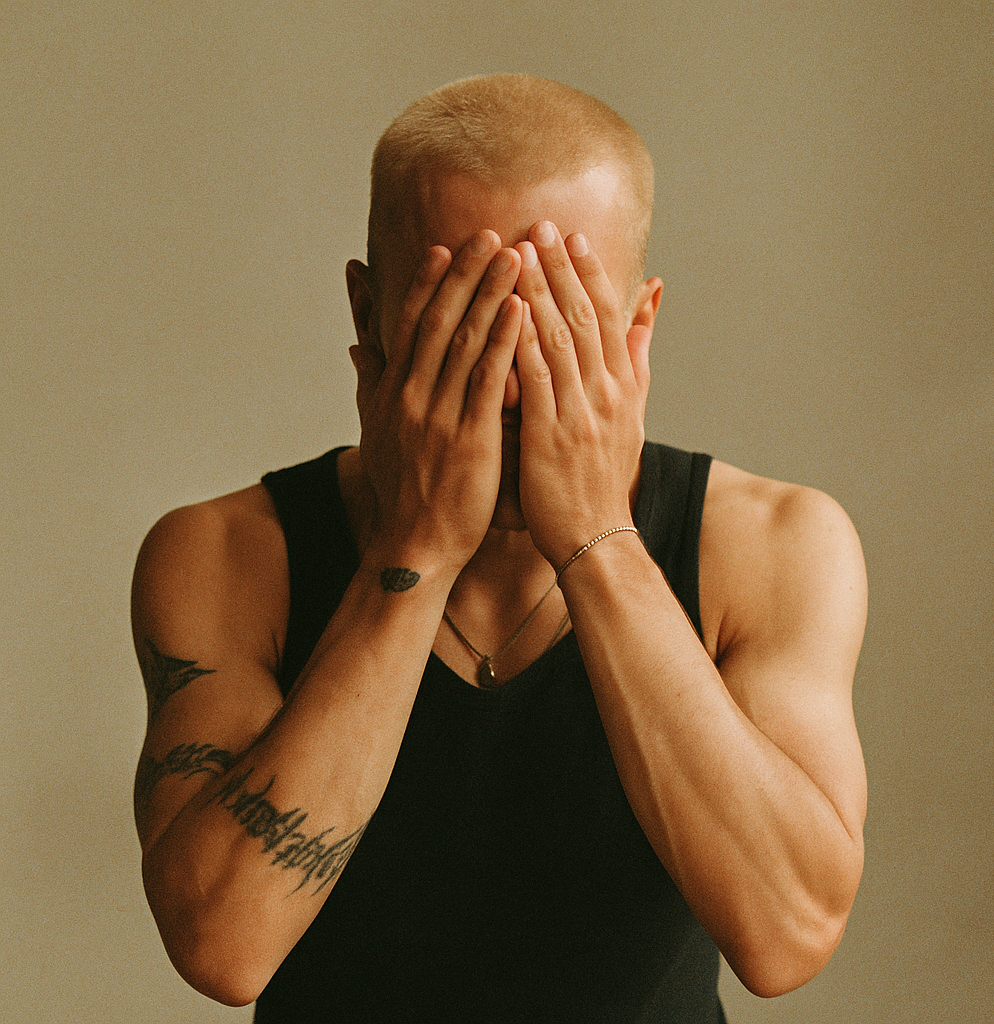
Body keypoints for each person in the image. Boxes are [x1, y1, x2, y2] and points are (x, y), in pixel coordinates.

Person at [131, 74, 868, 1022]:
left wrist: (599, 544)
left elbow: (788, 936)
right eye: (463, 329)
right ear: (369, 319)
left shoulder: (772, 546)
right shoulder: (228, 555)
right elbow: (222, 948)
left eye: (561, 329)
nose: (513, 386)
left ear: (637, 330)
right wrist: (416, 553)